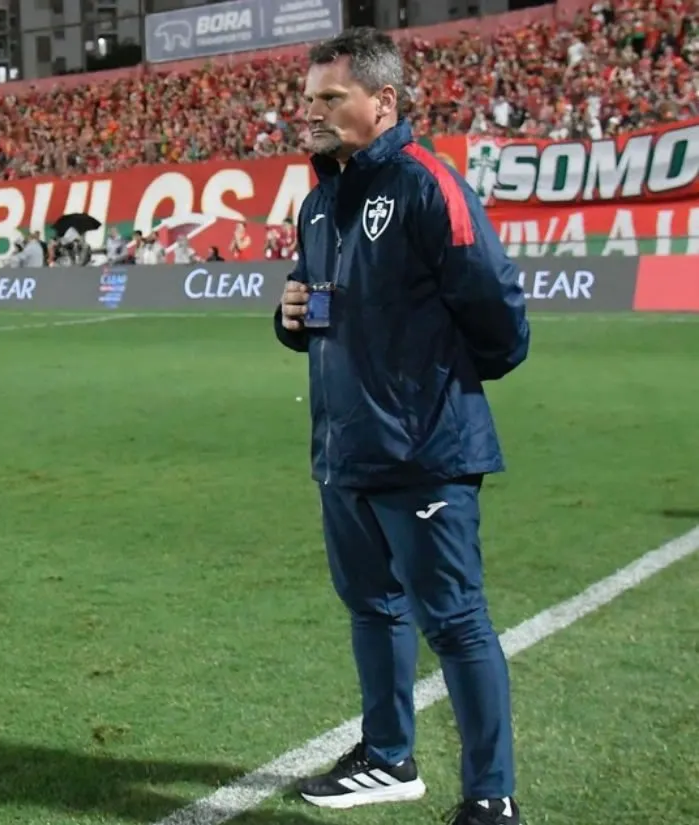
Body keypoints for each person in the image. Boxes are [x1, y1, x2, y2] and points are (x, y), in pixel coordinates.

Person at [273, 27, 531, 825]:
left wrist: (430, 393)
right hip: (344, 449)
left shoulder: (427, 184)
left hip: (423, 450)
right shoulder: (319, 200)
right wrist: (288, 318)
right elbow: (317, 309)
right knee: (372, 608)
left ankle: (491, 795)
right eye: (307, 97)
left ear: (382, 101)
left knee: (454, 620)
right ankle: (387, 757)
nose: (308, 111)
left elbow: (498, 316)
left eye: (329, 98)